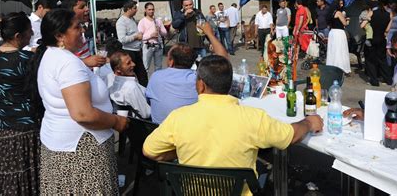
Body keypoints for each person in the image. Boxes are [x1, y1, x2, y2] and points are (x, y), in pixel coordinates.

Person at [143, 55, 324, 194]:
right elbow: (290, 135)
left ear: (200, 85)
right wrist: (308, 122)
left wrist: (183, 150)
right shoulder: (253, 117)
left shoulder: (179, 117)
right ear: (230, 85)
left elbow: (150, 151)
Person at [34, 8, 128, 194]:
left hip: (62, 144)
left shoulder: (53, 55)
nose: (83, 30)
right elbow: (83, 113)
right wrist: (117, 121)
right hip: (82, 149)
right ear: (60, 35)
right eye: (77, 27)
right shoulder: (68, 63)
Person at [0, 12, 43, 195]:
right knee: (26, 176)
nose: (32, 35)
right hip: (24, 129)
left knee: (6, 176)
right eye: (29, 32)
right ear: (18, 36)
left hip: (0, 128)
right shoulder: (26, 60)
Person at [146, 22, 228, 124]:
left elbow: (149, 101)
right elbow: (224, 63)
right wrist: (210, 34)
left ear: (171, 61)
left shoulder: (156, 77)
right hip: (189, 134)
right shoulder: (199, 80)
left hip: (159, 131)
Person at [63, 0, 106, 69]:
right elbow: (62, 62)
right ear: (71, 10)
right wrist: (85, 62)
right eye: (82, 7)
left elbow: (84, 56)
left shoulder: (80, 30)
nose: (87, 9)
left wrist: (96, 60)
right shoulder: (64, 32)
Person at [109, 51, 151, 119]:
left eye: (131, 61)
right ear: (118, 70)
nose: (133, 64)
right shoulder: (131, 87)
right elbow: (146, 113)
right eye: (128, 63)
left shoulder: (111, 83)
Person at [116, 0, 149, 87]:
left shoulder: (132, 19)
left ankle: (145, 93)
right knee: (130, 75)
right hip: (128, 52)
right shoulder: (121, 22)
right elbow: (122, 39)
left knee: (142, 75)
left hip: (137, 50)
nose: (136, 10)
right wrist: (136, 37)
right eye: (134, 8)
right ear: (128, 9)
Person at [366, 0, 392, 86]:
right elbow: (387, 30)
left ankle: (374, 81)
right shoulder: (389, 14)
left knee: (371, 60)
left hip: (372, 39)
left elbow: (366, 24)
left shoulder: (372, 13)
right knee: (382, 60)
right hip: (382, 38)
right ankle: (388, 79)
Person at [137, 2, 168, 73]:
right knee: (145, 67)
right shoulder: (142, 21)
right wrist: (150, 36)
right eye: (149, 9)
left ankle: (157, 82)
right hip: (148, 46)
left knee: (159, 67)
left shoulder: (158, 21)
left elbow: (165, 33)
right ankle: (145, 83)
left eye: (153, 9)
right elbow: (140, 37)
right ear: (145, 10)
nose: (151, 11)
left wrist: (159, 29)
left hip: (158, 45)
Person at [326, 0, 351, 74]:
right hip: (339, 33)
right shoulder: (339, 13)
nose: (342, 5)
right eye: (340, 3)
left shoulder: (331, 13)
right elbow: (345, 24)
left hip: (332, 32)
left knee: (333, 50)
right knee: (341, 50)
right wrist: (348, 20)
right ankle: (341, 67)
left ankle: (332, 65)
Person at [386, 0, 397, 66]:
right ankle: (389, 64)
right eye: (392, 3)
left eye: (395, 3)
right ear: (389, 4)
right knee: (388, 48)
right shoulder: (387, 12)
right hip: (390, 31)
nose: (394, 5)